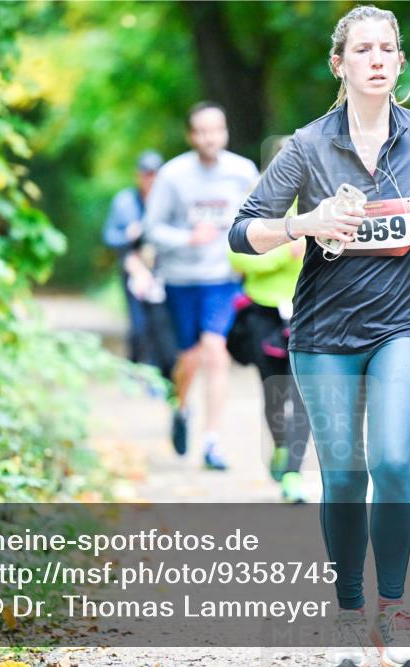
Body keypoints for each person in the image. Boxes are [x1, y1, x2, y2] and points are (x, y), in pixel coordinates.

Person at [230, 6, 410, 666]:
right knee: (344, 473)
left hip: (407, 323)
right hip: (325, 332)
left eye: (388, 48)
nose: (378, 58)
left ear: (400, 60)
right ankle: (348, 613)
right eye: (363, 49)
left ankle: (395, 612)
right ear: (340, 64)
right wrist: (306, 223)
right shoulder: (307, 145)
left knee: (392, 460)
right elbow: (243, 230)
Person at [144, 102, 259, 470]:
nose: (211, 137)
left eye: (217, 130)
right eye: (203, 131)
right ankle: (180, 409)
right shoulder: (172, 175)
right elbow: (152, 229)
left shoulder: (242, 172)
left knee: (214, 349)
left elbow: (259, 218)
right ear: (191, 135)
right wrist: (186, 238)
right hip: (181, 279)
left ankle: (213, 441)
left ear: (225, 132)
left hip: (222, 277)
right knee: (189, 358)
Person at [227, 233, 310, 503]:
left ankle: (292, 473)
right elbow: (237, 258)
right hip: (263, 315)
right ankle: (281, 445)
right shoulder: (263, 207)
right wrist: (285, 252)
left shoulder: (325, 202)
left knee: (303, 395)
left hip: (308, 311)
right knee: (275, 395)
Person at [102, 150, 177, 380]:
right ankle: (136, 368)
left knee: (162, 324)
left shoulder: (170, 201)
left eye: (155, 175)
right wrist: (129, 235)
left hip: (163, 270)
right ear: (138, 175)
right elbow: (108, 236)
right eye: (146, 174)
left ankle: (157, 372)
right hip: (133, 269)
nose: (150, 180)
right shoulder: (124, 202)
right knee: (138, 325)